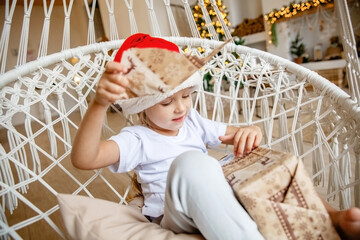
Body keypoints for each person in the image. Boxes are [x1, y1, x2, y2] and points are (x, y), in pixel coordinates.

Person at [71, 33, 360, 240]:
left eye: (186, 95)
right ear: (142, 107)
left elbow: (233, 134)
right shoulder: (137, 139)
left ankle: (329, 219)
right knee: (193, 164)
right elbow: (85, 159)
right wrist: (99, 104)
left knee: (265, 160)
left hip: (220, 198)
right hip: (176, 214)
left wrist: (250, 130)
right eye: (167, 102)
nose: (181, 107)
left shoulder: (193, 121)